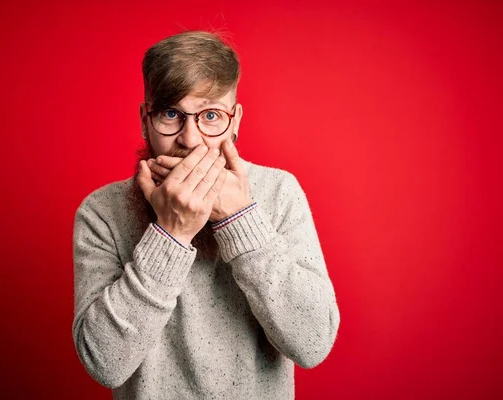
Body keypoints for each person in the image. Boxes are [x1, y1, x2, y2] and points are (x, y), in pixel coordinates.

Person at [72, 30, 340, 399]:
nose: (191, 139)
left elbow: (312, 343)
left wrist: (241, 219)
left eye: (211, 115)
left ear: (236, 120)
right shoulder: (101, 212)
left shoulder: (279, 192)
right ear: (145, 120)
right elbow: (104, 363)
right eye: (170, 114)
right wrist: (170, 234)